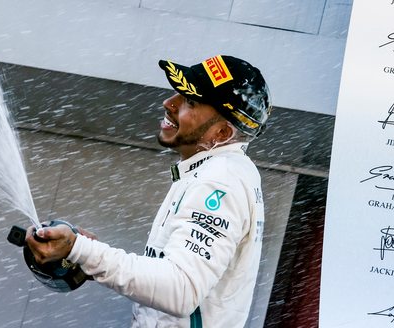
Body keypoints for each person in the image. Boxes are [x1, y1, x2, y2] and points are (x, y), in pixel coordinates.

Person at [25, 54, 272, 328]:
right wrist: (87, 254)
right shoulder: (215, 171)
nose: (169, 104)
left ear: (223, 133)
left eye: (189, 101)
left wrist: (81, 249)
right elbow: (171, 276)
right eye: (178, 93)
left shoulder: (219, 180)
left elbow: (181, 290)